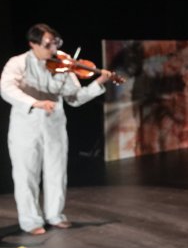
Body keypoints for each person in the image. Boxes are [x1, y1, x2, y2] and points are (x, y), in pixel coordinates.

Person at [0, 23, 112, 235]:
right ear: (33, 44)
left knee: (56, 172)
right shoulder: (18, 63)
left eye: (55, 43)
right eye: (47, 44)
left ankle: (55, 215)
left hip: (54, 125)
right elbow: (6, 88)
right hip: (26, 126)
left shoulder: (63, 63)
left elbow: (75, 98)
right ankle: (31, 221)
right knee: (26, 175)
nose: (53, 49)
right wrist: (34, 102)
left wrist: (98, 82)